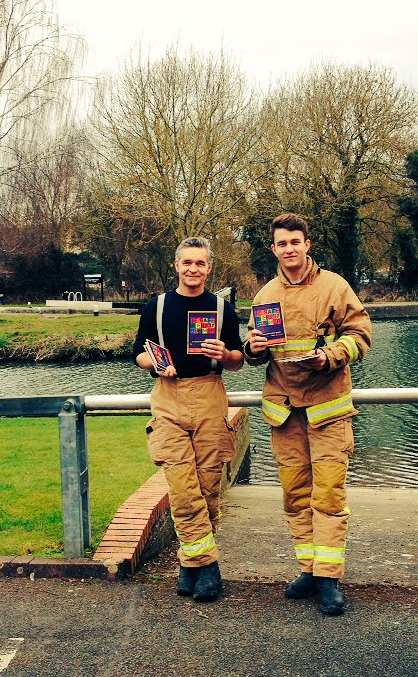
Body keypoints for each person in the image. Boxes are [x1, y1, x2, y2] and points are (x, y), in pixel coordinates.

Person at [244, 213, 372, 616]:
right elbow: (254, 353)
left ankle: (329, 577)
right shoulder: (264, 295)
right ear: (274, 249)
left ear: (307, 244)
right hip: (284, 412)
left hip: (327, 408)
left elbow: (361, 335)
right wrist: (252, 348)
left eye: (295, 242)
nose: (289, 249)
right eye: (282, 243)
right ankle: (309, 570)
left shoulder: (335, 286)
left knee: (329, 495)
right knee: (296, 495)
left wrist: (329, 356)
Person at [134, 237, 244, 602]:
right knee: (182, 487)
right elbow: (138, 352)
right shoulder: (157, 306)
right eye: (187, 262)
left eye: (200, 263)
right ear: (177, 266)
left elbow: (238, 359)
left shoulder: (222, 308)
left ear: (209, 268)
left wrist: (225, 354)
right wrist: (154, 364)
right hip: (168, 397)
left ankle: (190, 564)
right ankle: (208, 566)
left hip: (210, 394)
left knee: (207, 487)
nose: (193, 269)